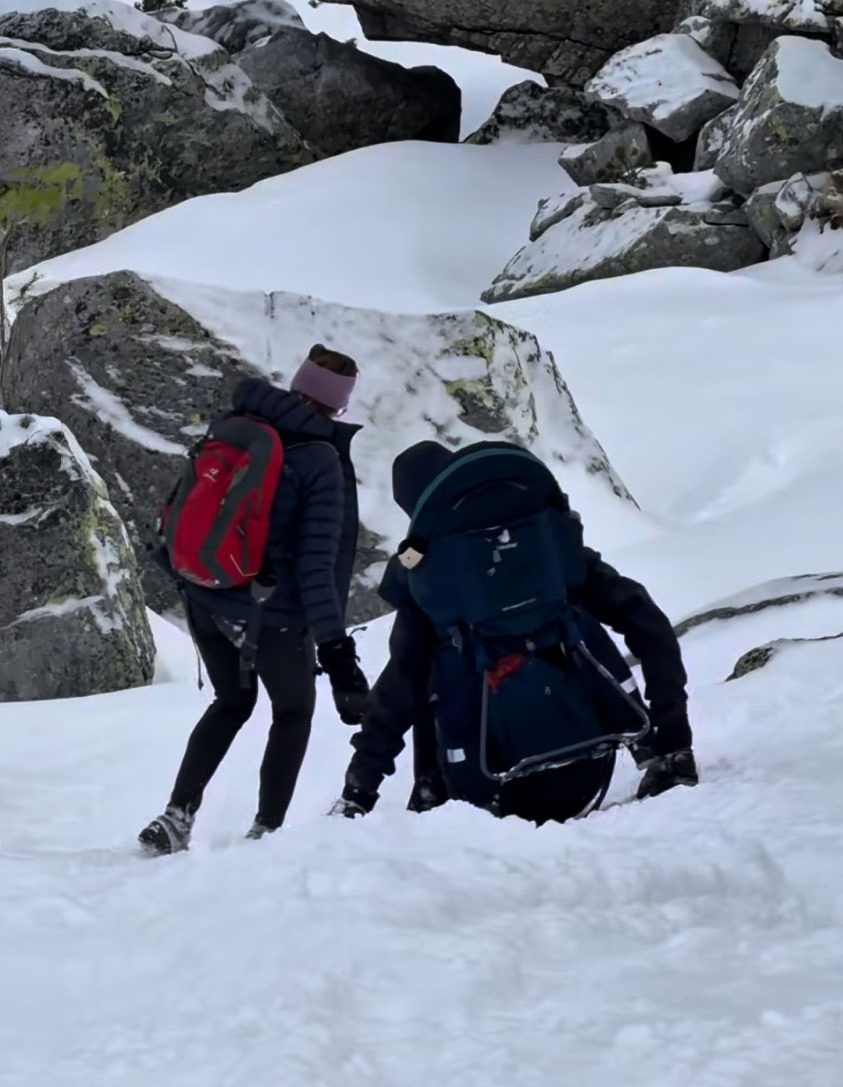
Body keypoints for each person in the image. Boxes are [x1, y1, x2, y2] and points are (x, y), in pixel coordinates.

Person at [335, 440, 697, 825]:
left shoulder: (429, 586)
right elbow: (646, 621)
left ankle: (429, 795)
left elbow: (395, 697)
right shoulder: (549, 550)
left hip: (492, 797)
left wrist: (358, 793)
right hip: (590, 766)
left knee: (428, 666)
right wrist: (674, 739)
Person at [138, 345, 372, 855]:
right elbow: (316, 567)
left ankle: (176, 816)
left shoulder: (235, 426)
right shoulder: (318, 460)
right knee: (293, 713)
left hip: (204, 594)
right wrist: (337, 653)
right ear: (339, 405)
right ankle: (265, 835)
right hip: (269, 614)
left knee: (231, 701)